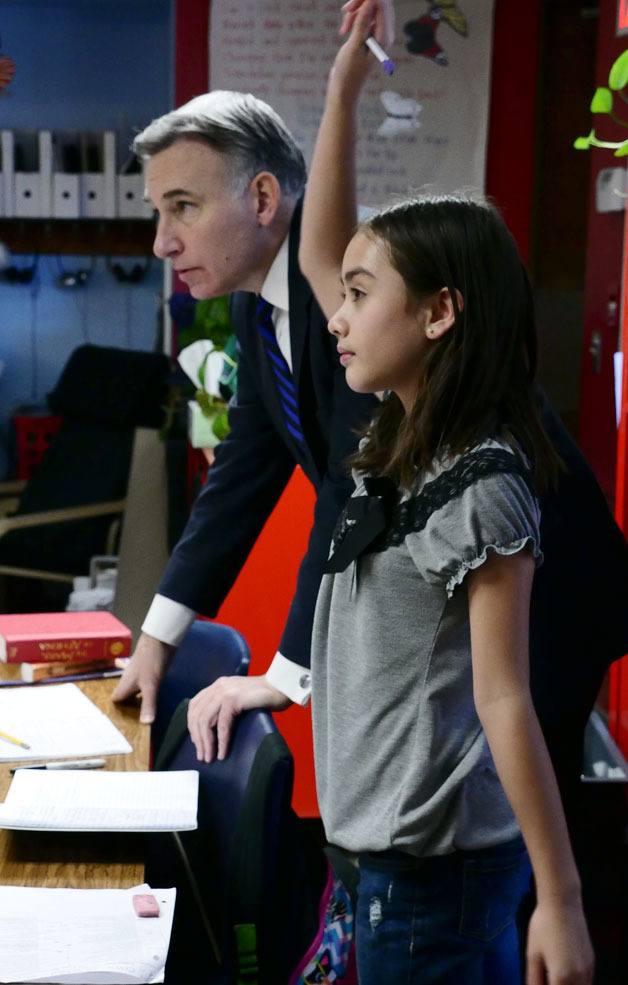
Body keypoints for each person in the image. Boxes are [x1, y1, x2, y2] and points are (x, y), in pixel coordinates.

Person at [190, 2, 597, 982]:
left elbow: (506, 700)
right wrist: (339, 89)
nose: (336, 312)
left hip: (436, 885)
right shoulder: (395, 435)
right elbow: (323, 250)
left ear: (440, 313)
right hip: (374, 863)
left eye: (363, 297)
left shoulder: (480, 485)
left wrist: (561, 901)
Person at [112, 88, 377, 733]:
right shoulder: (253, 301)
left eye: (183, 208)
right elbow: (241, 474)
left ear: (262, 199)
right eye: (158, 212)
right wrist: (157, 636)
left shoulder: (357, 283)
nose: (161, 244)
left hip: (532, 572)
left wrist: (282, 677)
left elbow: (355, 482)